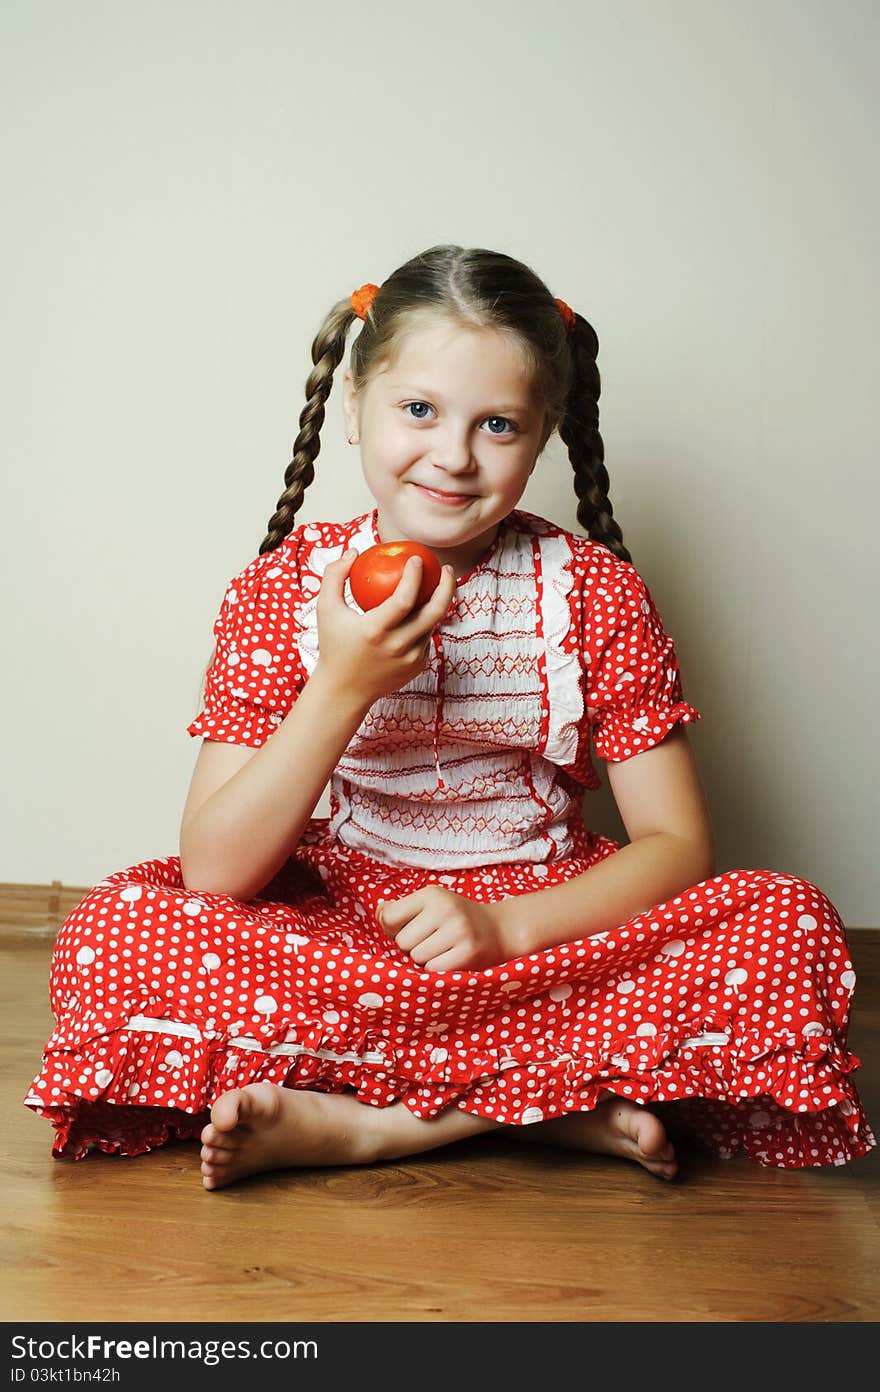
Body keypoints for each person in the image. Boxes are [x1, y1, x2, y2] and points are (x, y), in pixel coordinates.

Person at [24, 244, 875, 1190]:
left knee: (790, 922)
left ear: (544, 433)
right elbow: (216, 872)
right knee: (113, 927)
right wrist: (342, 683)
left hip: (542, 927)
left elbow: (677, 846)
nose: (453, 454)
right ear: (354, 408)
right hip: (343, 931)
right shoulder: (278, 591)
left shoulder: (594, 592)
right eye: (418, 409)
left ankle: (374, 1125)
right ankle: (547, 1105)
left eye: (498, 423)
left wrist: (509, 934)